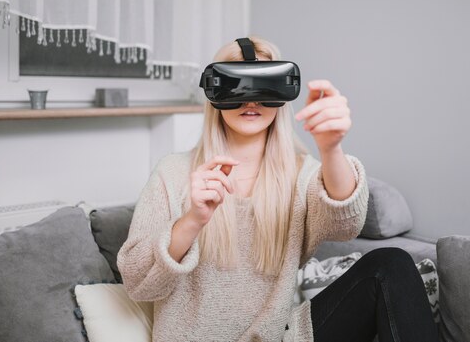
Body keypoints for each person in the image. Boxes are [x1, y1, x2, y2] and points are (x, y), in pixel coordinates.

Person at [117, 36, 439, 342]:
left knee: (391, 264)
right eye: (237, 86)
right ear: (214, 92)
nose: (251, 100)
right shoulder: (173, 173)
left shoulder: (302, 175)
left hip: (279, 337)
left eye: (264, 85)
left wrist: (330, 149)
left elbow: (345, 224)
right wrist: (192, 220)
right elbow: (138, 283)